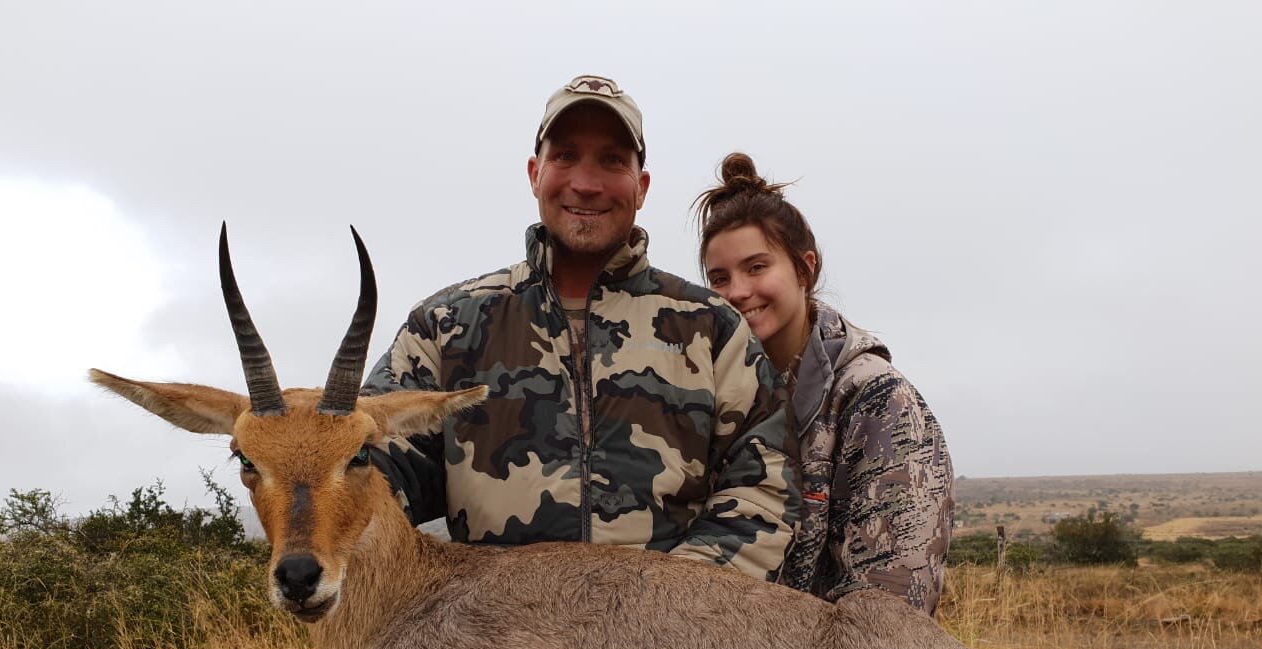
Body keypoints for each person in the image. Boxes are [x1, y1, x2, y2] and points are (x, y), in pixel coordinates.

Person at [362, 78, 799, 581]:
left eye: (612, 160)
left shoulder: (711, 328)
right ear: (534, 174)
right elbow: (371, 466)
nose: (586, 183)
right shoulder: (444, 327)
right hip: (498, 643)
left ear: (642, 185)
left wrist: (668, 604)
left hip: (667, 643)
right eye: (565, 155)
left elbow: (763, 486)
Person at [695, 153, 954, 615]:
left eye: (756, 268)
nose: (736, 292)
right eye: (719, 278)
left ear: (804, 268)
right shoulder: (706, 396)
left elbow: (894, 609)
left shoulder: (879, 403)